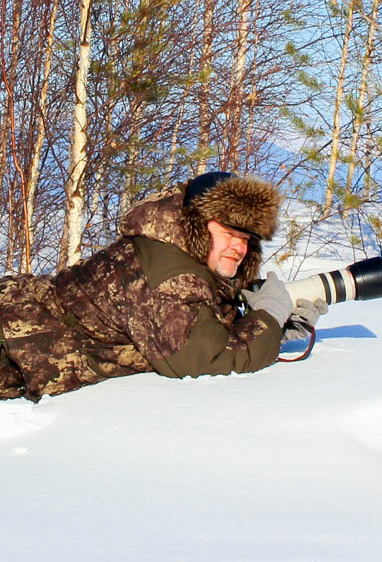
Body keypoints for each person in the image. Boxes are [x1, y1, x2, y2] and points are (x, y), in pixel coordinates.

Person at [0, 171, 326, 401]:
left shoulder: (181, 260)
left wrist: (269, 327)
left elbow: (196, 325)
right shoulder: (169, 274)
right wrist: (268, 317)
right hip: (11, 341)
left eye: (246, 240)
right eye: (229, 234)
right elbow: (208, 358)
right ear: (197, 227)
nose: (238, 248)